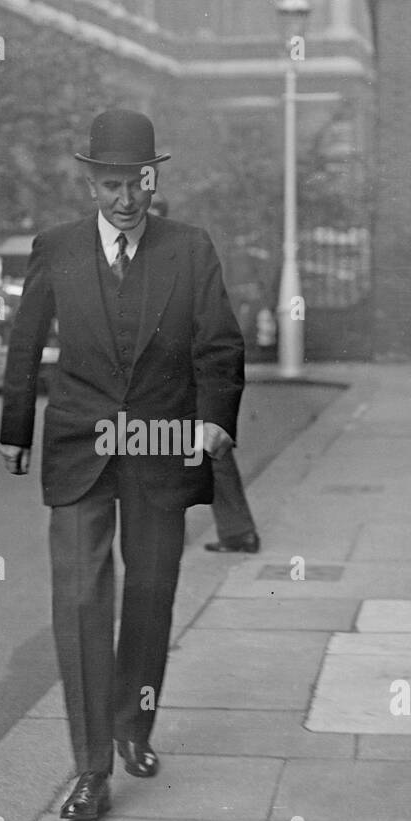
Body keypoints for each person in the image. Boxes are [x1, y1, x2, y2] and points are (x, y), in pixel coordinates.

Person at [0, 109, 245, 821]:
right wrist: (16, 426)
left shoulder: (190, 249)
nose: (126, 198)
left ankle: (134, 725)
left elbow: (218, 345)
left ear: (152, 178)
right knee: (79, 601)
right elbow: (25, 341)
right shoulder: (59, 249)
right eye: (111, 185)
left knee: (151, 593)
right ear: (92, 184)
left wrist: (215, 421)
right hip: (80, 442)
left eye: (136, 182)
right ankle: (90, 769)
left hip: (164, 447)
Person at [147, 198, 261, 554]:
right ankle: (236, 531)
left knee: (205, 453)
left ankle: (232, 531)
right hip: (169, 381)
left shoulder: (178, 261)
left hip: (189, 379)